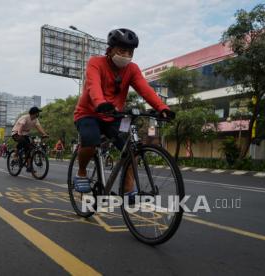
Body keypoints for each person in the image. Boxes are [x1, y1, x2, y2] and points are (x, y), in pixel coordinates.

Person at [72, 28, 175, 200]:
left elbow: (145, 90)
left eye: (130, 51)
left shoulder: (132, 69)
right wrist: (100, 103)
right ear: (110, 49)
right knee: (90, 140)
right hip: (88, 113)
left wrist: (162, 108)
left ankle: (128, 190)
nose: (126, 55)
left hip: (114, 116)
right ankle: (81, 173)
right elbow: (93, 86)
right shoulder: (95, 63)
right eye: (122, 50)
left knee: (131, 150)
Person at [11, 106, 49, 172]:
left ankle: (29, 167)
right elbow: (21, 126)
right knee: (22, 141)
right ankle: (15, 156)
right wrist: (19, 134)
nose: (38, 114)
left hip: (25, 134)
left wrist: (44, 134)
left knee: (29, 148)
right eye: (38, 113)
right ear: (34, 113)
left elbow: (39, 127)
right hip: (16, 132)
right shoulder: (25, 117)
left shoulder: (35, 120)